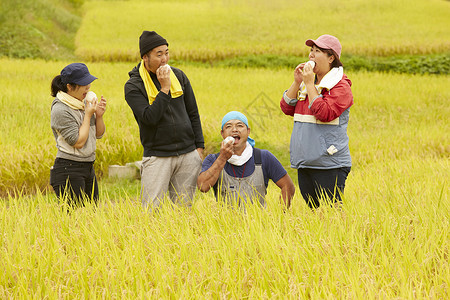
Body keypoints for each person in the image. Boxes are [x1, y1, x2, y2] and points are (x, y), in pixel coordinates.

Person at [124, 30, 204, 210]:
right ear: (145, 57)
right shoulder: (133, 86)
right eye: (158, 54)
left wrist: (199, 147)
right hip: (157, 156)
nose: (164, 59)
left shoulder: (179, 76)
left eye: (166, 52)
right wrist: (165, 88)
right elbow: (149, 118)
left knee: (184, 209)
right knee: (151, 210)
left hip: (187, 153)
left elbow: (193, 112)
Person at [280, 34, 353, 209]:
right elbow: (286, 107)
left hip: (330, 163)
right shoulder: (307, 83)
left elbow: (324, 113)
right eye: (311, 50)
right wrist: (297, 82)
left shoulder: (341, 87)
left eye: (318, 51)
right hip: (306, 161)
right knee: (315, 214)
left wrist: (309, 84)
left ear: (331, 58)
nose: (311, 55)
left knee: (332, 214)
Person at [197, 111, 295, 209]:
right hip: (226, 223)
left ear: (248, 131)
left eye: (240, 125)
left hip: (258, 223)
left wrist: (280, 216)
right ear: (222, 134)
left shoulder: (263, 157)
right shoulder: (213, 159)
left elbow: (288, 186)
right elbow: (203, 187)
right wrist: (222, 158)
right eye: (228, 126)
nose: (234, 130)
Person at [50, 63, 107, 208]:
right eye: (83, 84)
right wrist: (88, 115)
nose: (88, 87)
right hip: (68, 169)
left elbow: (99, 134)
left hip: (88, 167)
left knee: (91, 218)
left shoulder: (82, 104)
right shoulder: (60, 109)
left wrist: (98, 116)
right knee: (73, 220)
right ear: (70, 86)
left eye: (88, 83)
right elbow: (78, 142)